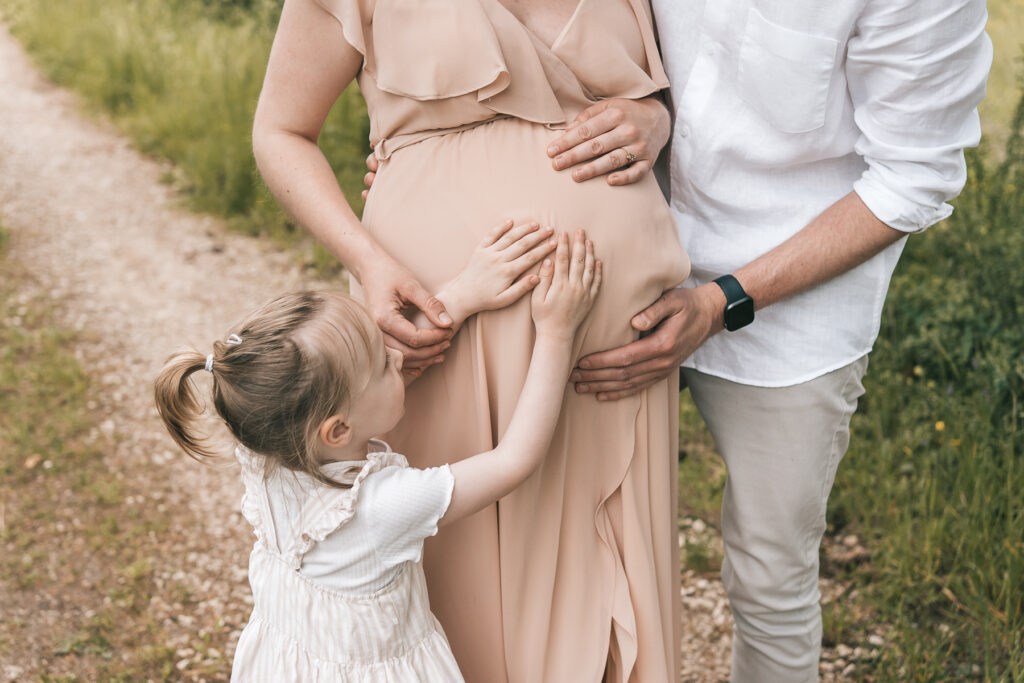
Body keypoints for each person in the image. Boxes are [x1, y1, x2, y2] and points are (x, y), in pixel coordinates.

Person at [542, 0, 993, 680]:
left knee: (770, 577)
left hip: (794, 315)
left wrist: (721, 300)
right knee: (569, 529)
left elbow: (912, 177)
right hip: (621, 255)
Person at [252, 1, 690, 681]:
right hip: (442, 334)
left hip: (616, 355)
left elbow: (690, 88)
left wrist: (658, 117)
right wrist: (369, 261)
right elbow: (280, 130)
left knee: (610, 578)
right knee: (467, 589)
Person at [153, 227, 602, 681]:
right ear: (339, 429)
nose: (399, 355)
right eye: (382, 362)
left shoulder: (271, 450)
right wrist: (557, 334)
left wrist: (462, 295)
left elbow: (361, 394)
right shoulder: (382, 506)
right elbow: (514, 459)